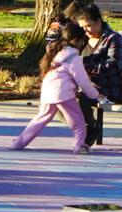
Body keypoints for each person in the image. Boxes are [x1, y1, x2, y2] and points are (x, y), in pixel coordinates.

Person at [11, 21, 100, 153]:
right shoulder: (74, 58)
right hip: (63, 94)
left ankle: (19, 143)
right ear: (76, 40)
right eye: (82, 41)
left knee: (40, 119)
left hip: (48, 92)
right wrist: (95, 95)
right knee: (78, 122)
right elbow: (83, 81)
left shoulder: (58, 54)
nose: (82, 44)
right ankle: (80, 145)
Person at [75, 3, 122, 147]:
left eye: (89, 26)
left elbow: (116, 66)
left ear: (99, 22)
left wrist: (86, 66)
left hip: (108, 89)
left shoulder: (114, 39)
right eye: (83, 27)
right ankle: (85, 127)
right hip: (86, 85)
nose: (86, 30)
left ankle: (91, 127)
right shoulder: (84, 39)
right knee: (60, 99)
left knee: (81, 98)